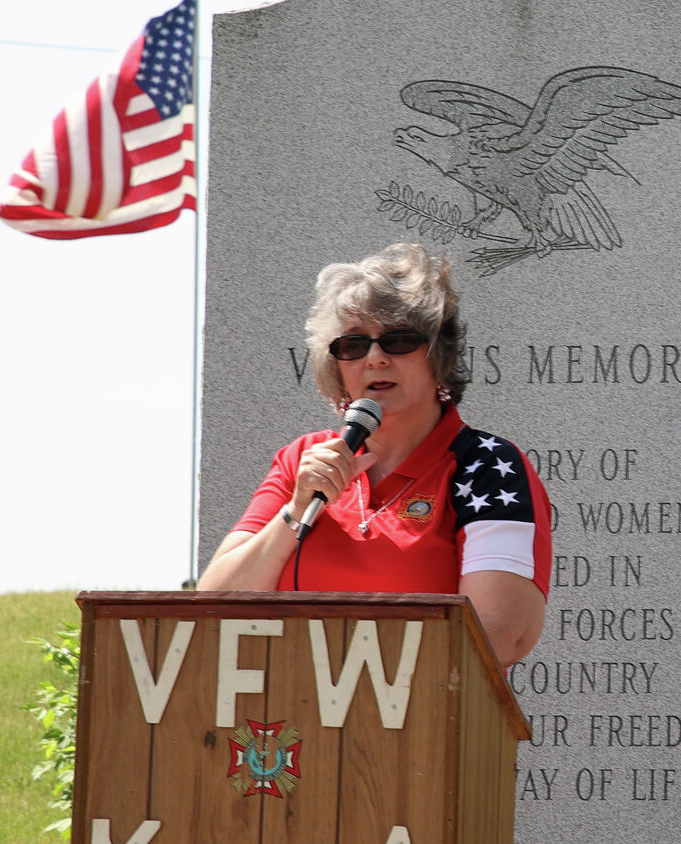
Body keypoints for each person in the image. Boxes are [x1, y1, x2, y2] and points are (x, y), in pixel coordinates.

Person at [199, 243, 552, 664]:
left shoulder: (487, 465)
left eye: (398, 340)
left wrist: (349, 672)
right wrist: (294, 512)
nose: (375, 358)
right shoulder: (303, 459)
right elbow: (209, 614)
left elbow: (500, 633)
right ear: (336, 368)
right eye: (353, 345)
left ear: (438, 356)